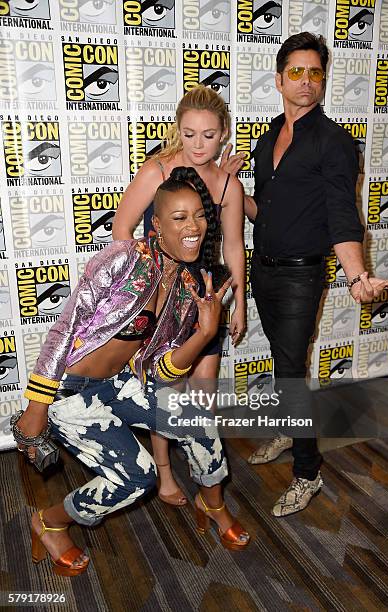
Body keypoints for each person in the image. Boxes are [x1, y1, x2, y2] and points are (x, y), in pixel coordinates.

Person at [13, 167, 250, 577]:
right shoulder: (124, 258)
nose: (193, 226)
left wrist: (206, 331)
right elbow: (65, 328)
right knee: (137, 478)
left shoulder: (187, 285)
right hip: (69, 392)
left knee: (198, 422)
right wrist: (37, 408)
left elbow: (162, 366)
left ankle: (211, 504)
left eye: (198, 215)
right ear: (156, 225)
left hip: (118, 385)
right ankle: (49, 521)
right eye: (179, 217)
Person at [241, 32, 388, 516]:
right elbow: (262, 212)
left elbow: (341, 214)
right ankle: (289, 430)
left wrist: (357, 276)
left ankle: (307, 473)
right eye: (297, 72)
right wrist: (227, 185)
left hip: (299, 276)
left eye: (315, 73)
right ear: (279, 79)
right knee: (281, 360)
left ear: (323, 80)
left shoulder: (334, 142)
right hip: (262, 269)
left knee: (290, 374)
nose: (307, 81)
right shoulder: (268, 137)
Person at [113, 85, 246, 506]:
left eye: (208, 135)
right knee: (163, 390)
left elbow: (233, 246)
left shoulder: (227, 185)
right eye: (189, 134)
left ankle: (205, 472)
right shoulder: (157, 170)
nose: (199, 145)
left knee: (203, 388)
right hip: (164, 299)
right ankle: (164, 473)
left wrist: (238, 302)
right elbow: (122, 229)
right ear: (177, 130)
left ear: (223, 132)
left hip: (206, 298)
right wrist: (146, 284)